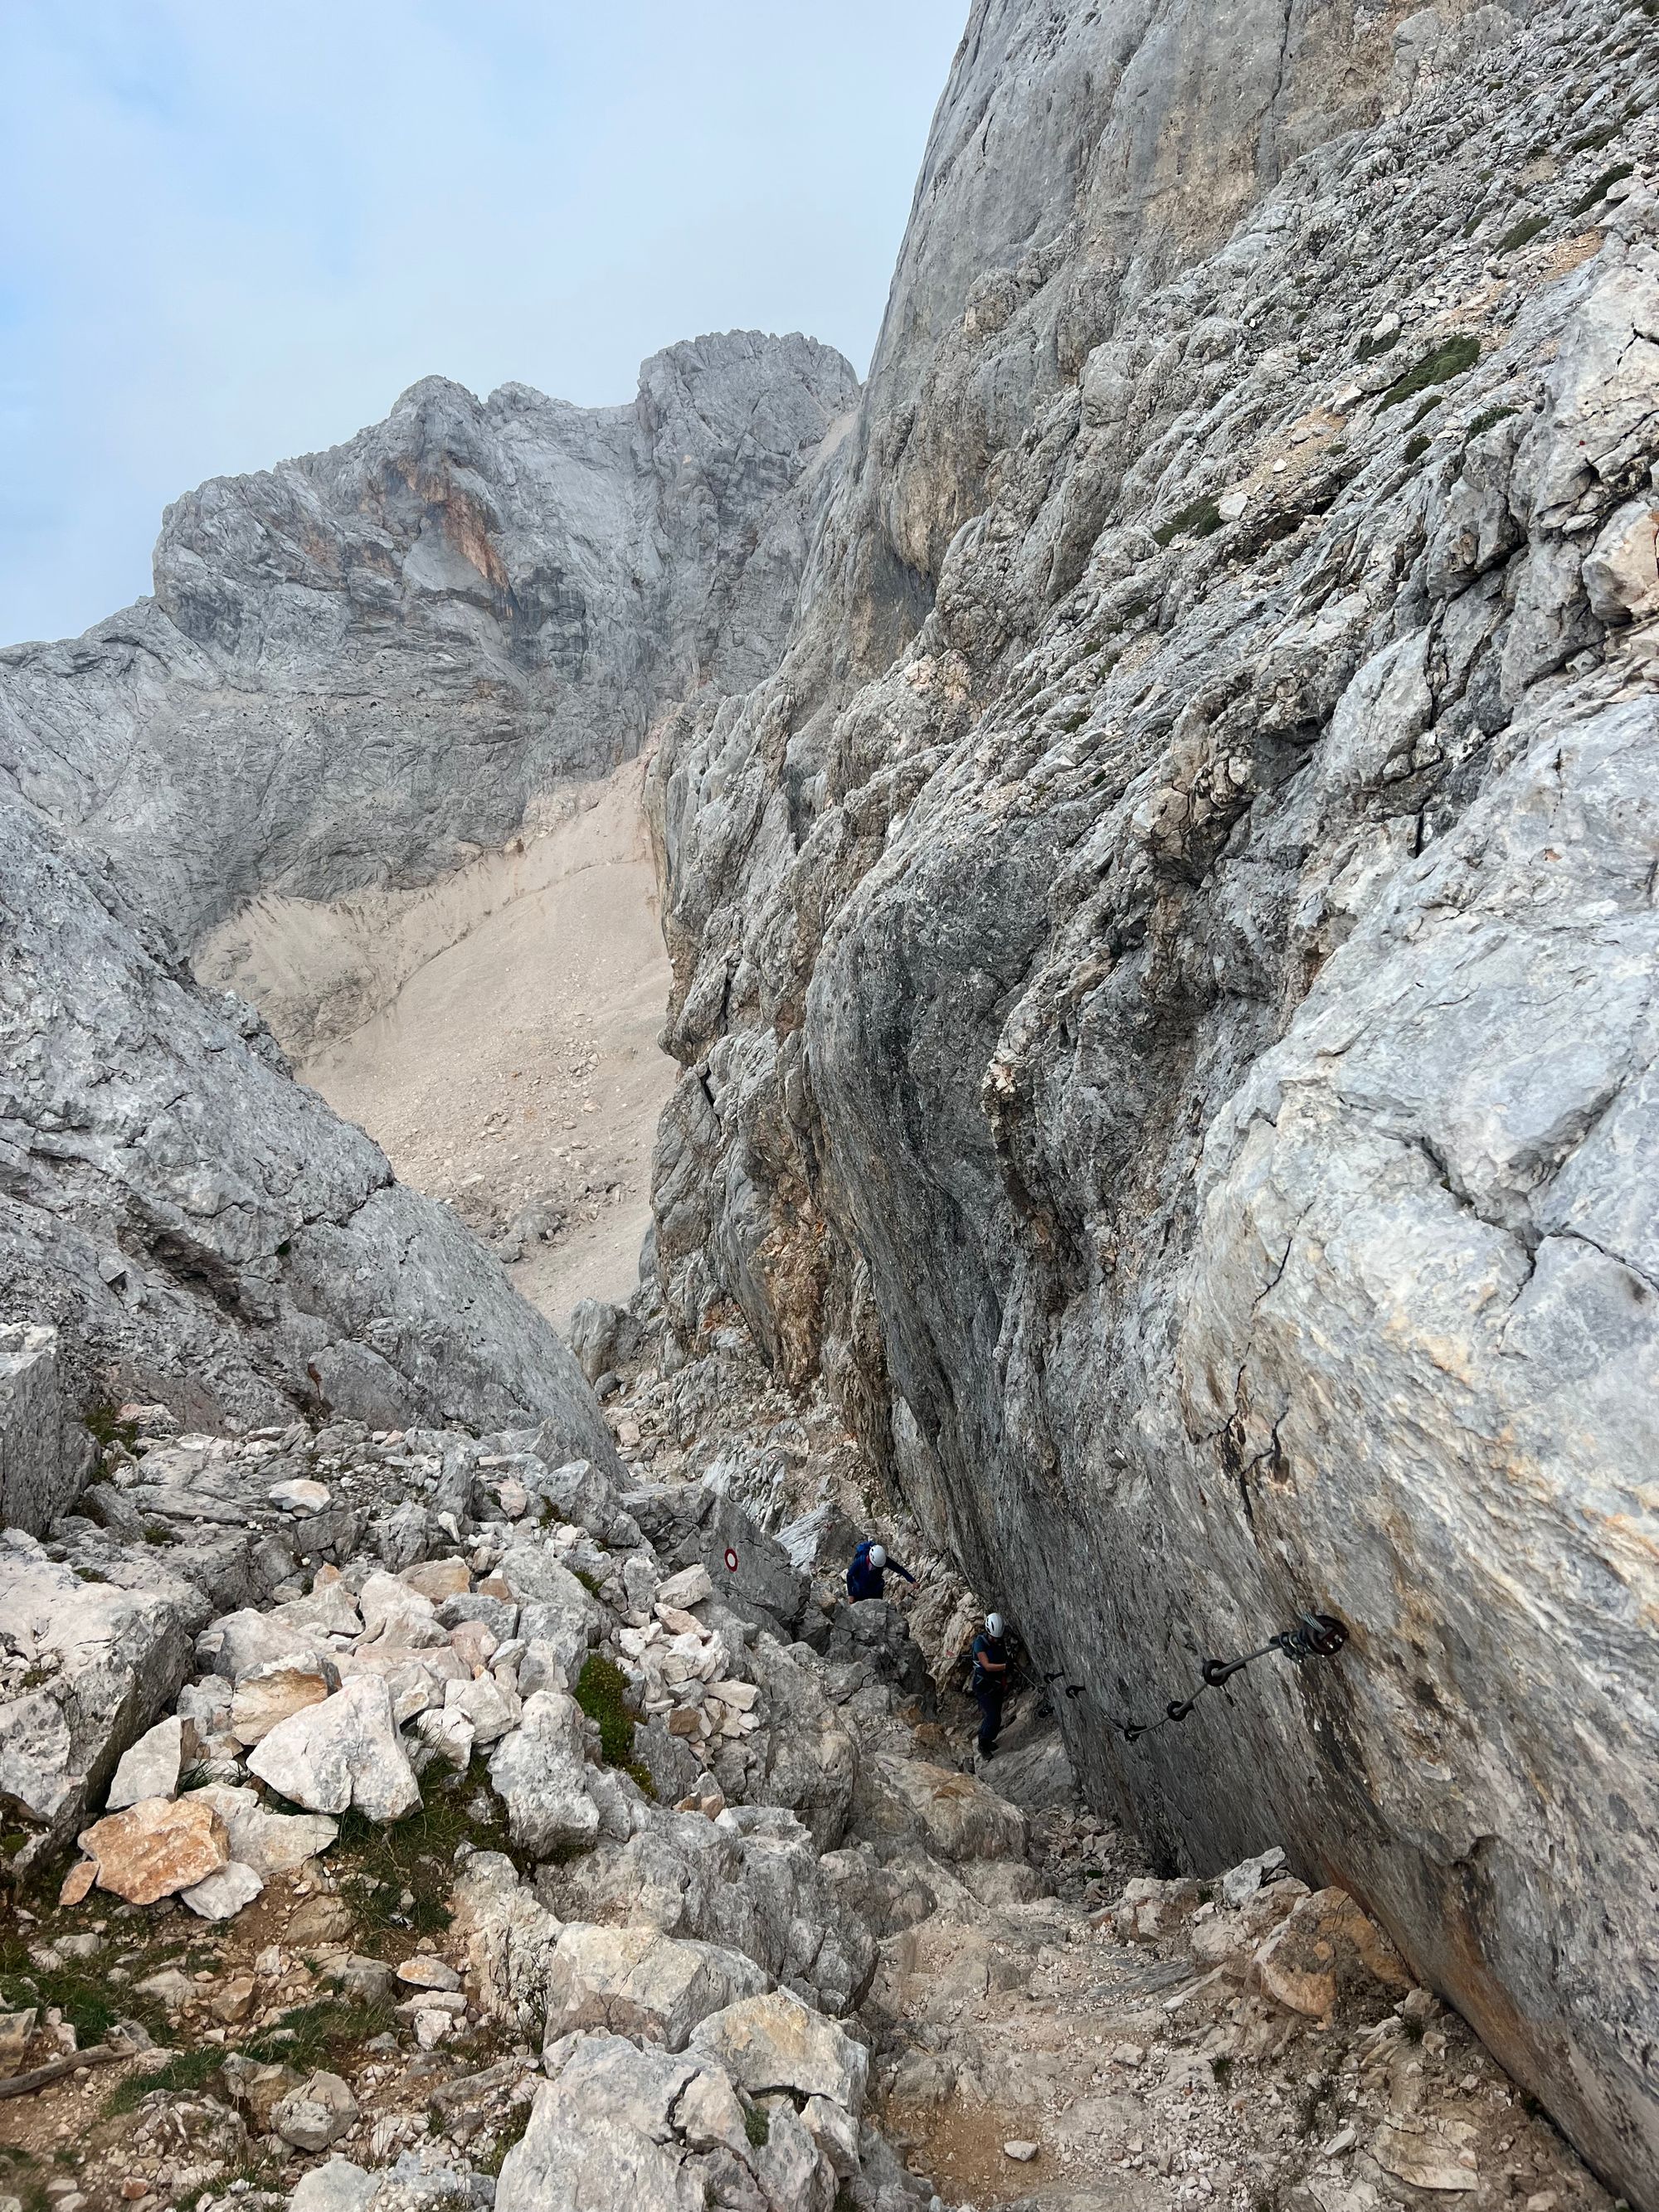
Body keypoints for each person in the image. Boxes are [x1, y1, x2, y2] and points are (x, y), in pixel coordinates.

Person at [970, 1611, 1010, 1758]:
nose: (995, 1640)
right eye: (993, 1637)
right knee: (992, 1716)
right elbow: (986, 1665)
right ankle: (983, 1743)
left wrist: (1004, 1680)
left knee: (997, 1717)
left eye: (997, 1638)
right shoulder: (980, 1643)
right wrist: (1006, 1667)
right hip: (983, 1686)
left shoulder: (999, 1642)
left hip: (996, 1684)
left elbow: (1003, 1659)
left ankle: (988, 1740)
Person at [847, 1539, 915, 1603]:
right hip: (860, 1592)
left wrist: (912, 1581)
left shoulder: (882, 1560)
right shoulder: (860, 1561)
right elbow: (849, 1575)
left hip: (875, 1591)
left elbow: (898, 1569)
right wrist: (851, 1595)